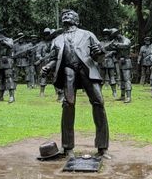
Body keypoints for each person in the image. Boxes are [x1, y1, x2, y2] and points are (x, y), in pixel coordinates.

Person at [41, 9, 109, 160]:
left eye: (70, 15)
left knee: (99, 102)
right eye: (64, 15)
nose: (66, 16)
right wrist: (48, 67)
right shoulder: (57, 39)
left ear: (77, 21)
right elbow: (54, 59)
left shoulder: (88, 34)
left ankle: (102, 147)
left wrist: (100, 51)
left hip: (87, 70)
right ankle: (68, 147)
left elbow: (99, 56)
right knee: (68, 104)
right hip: (68, 71)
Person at [108, 28, 133, 103]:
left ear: (118, 34)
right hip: (120, 62)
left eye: (116, 36)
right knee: (121, 79)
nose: (115, 38)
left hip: (126, 61)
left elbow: (126, 45)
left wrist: (116, 45)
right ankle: (122, 96)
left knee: (127, 79)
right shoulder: (117, 41)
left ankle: (128, 97)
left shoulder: (126, 40)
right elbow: (113, 49)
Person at [99, 28, 118, 98]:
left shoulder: (112, 42)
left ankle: (114, 92)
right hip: (102, 61)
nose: (106, 36)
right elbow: (98, 52)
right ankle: (99, 92)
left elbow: (116, 50)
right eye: (104, 35)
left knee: (112, 77)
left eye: (107, 35)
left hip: (110, 61)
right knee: (101, 78)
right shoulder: (100, 43)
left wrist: (112, 52)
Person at [34, 28, 53, 97]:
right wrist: (40, 58)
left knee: (55, 76)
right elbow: (38, 54)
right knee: (43, 76)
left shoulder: (54, 43)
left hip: (53, 62)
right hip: (44, 62)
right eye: (46, 34)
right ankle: (42, 92)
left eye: (48, 34)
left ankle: (58, 93)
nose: (47, 36)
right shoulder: (41, 44)